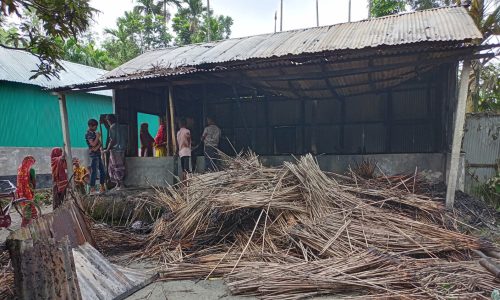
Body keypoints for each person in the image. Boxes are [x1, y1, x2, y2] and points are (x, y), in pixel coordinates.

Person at [104, 114, 126, 190]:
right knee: (119, 166)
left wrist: (107, 149)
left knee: (116, 166)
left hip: (115, 150)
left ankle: (121, 184)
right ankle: (118, 184)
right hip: (122, 149)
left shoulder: (112, 127)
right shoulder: (120, 126)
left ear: (108, 121)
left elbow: (112, 140)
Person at [85, 119, 106, 194]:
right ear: (90, 126)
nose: (96, 128)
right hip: (93, 156)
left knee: (102, 171)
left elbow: (99, 144)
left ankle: (102, 187)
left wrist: (96, 148)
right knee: (94, 172)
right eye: (95, 126)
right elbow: (93, 144)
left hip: (97, 154)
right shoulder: (89, 134)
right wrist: (97, 137)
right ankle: (92, 189)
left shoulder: (93, 133)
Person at [16, 156, 37, 227]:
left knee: (25, 207)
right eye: (31, 163)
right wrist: (32, 190)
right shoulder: (29, 170)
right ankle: (26, 224)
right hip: (26, 192)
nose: (31, 165)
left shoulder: (20, 168)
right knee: (29, 206)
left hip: (20, 191)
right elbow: (33, 182)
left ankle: (27, 222)